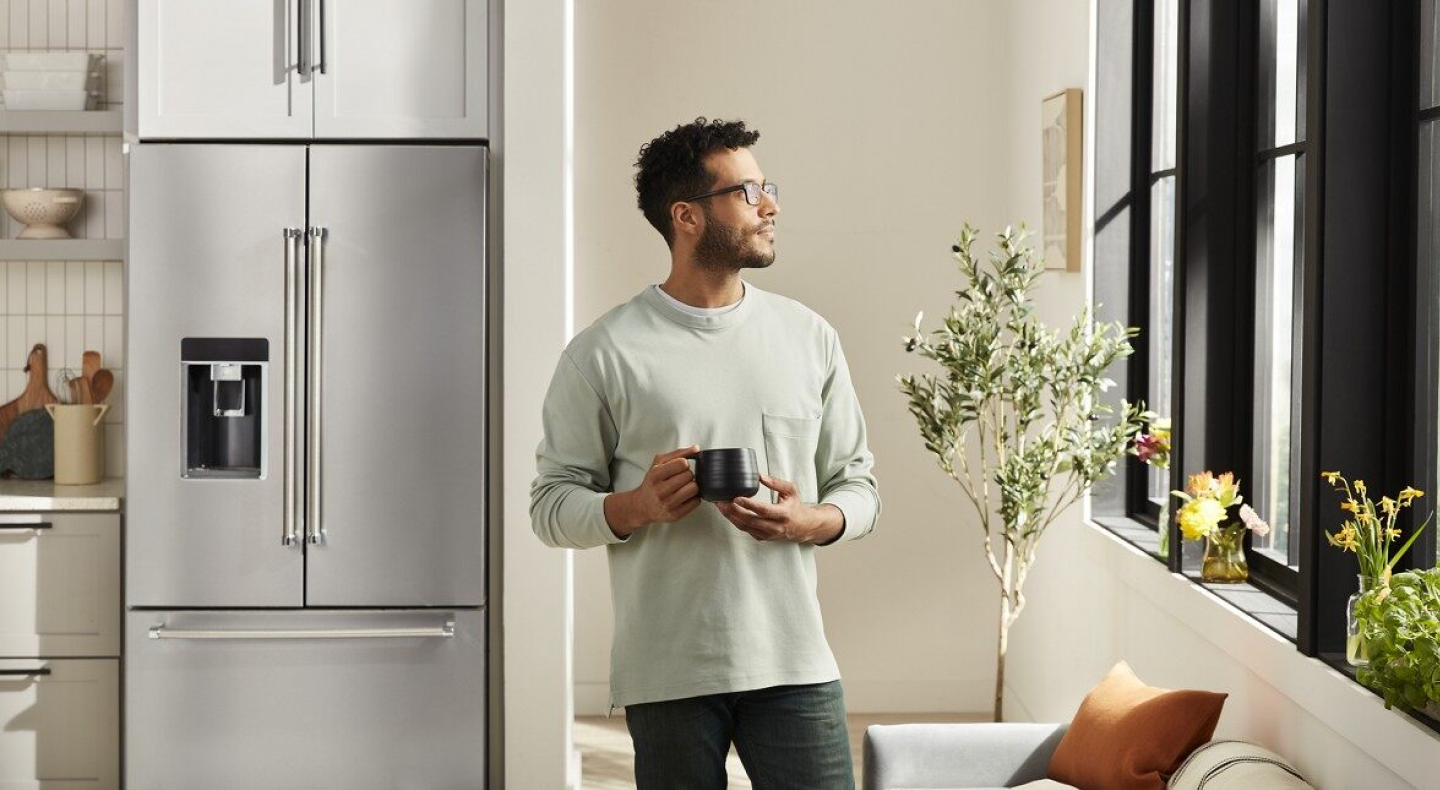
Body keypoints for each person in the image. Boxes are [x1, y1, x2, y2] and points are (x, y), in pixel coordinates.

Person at [530, 116, 881, 789]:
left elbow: (859, 486)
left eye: (766, 188)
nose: (770, 205)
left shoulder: (809, 337)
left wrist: (816, 521)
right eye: (749, 192)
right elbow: (550, 505)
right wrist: (634, 506)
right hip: (667, 671)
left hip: (794, 662)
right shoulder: (602, 353)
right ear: (686, 216)